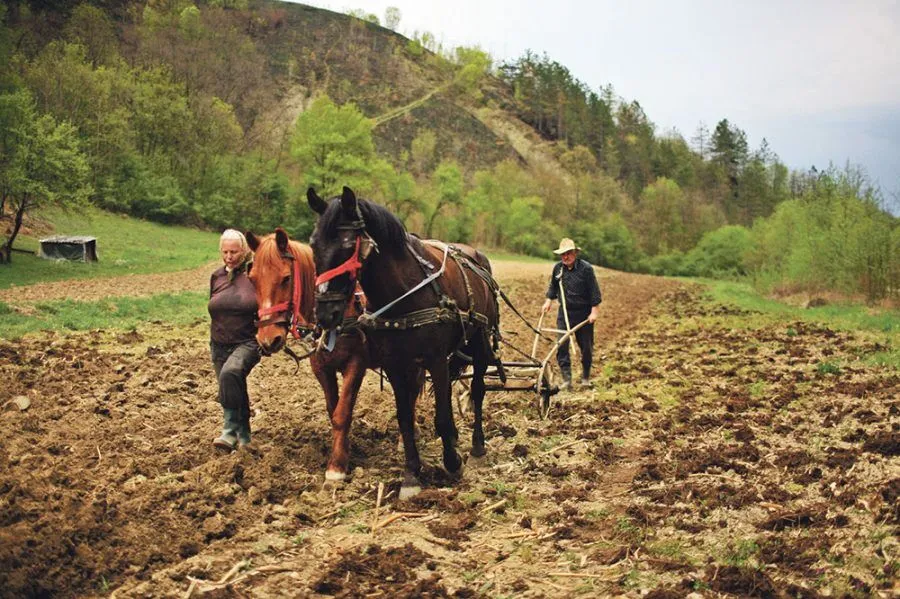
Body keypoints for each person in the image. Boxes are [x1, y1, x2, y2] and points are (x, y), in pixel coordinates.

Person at [208, 229, 260, 452]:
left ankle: (229, 430)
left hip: (248, 341)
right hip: (219, 342)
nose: (229, 257)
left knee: (231, 374)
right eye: (225, 252)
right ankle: (244, 436)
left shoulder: (254, 275)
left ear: (244, 250)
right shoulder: (216, 277)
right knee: (231, 386)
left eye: (234, 252)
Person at [541, 238, 602, 390]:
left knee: (586, 347)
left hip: (584, 313)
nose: (565, 257)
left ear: (575, 253)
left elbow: (594, 290)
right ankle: (567, 380)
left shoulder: (586, 269)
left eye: (568, 253)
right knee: (561, 345)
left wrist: (594, 311)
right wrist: (548, 301)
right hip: (565, 313)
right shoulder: (558, 269)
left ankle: (585, 378)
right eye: (563, 254)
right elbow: (553, 287)